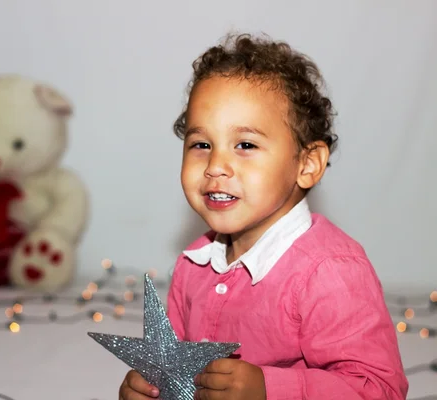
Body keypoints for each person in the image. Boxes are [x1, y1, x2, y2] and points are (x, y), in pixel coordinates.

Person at [118, 32, 408, 400]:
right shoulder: (194, 264)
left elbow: (380, 390)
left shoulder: (331, 272)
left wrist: (269, 389)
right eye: (201, 144)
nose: (216, 166)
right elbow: (175, 370)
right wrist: (151, 388)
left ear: (307, 164)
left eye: (246, 145)